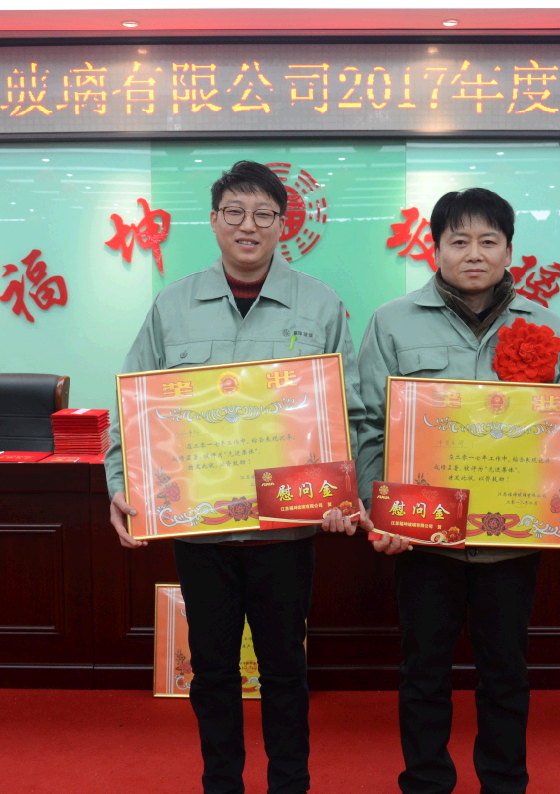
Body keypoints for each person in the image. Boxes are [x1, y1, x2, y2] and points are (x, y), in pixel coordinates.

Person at [105, 160, 365, 794]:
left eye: (263, 214)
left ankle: (289, 784)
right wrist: (121, 484)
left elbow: (351, 412)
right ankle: (220, 783)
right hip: (203, 532)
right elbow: (132, 408)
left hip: (287, 532)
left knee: (285, 671)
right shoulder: (173, 305)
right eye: (235, 213)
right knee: (214, 671)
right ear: (214, 221)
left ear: (283, 224)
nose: (249, 226)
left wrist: (345, 492)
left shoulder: (319, 304)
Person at [356, 187, 560, 794]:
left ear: (509, 251)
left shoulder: (544, 324)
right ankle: (426, 781)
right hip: (425, 537)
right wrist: (379, 511)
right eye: (459, 241)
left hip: (511, 540)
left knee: (505, 673)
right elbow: (368, 424)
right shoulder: (392, 322)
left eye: (488, 241)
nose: (474, 253)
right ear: (436, 249)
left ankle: (504, 782)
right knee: (423, 672)